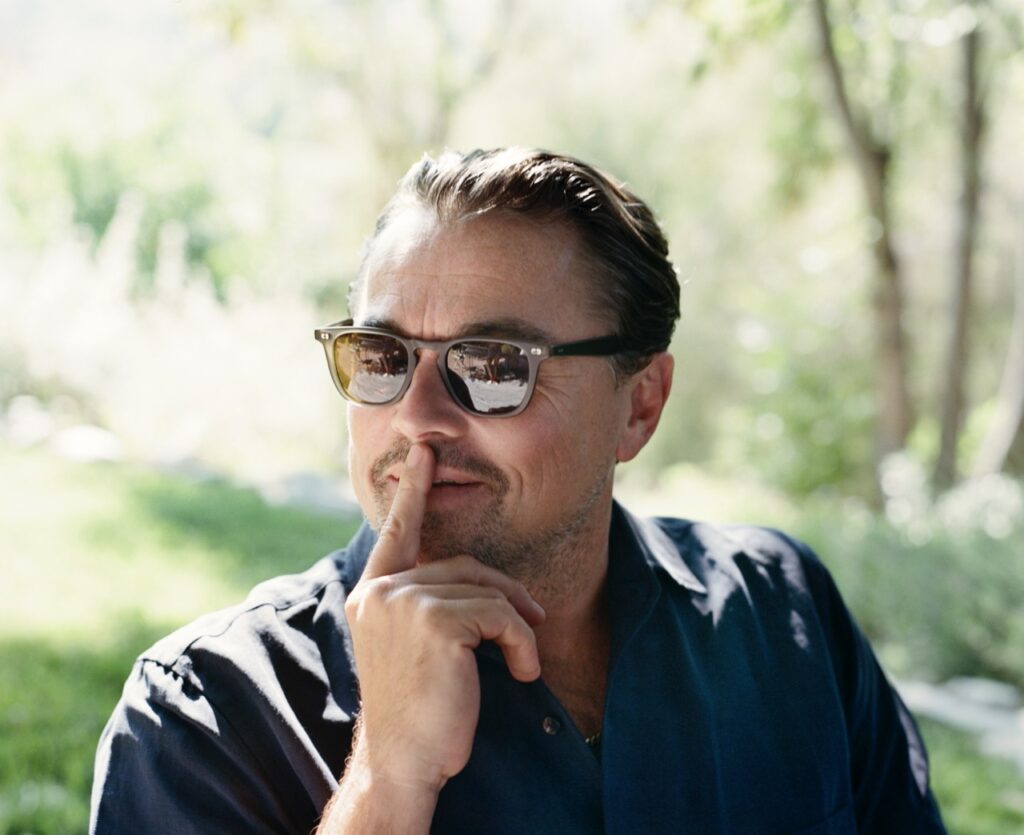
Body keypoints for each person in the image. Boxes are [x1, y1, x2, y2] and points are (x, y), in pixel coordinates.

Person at [90, 148, 946, 834]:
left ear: (639, 405)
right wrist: (385, 782)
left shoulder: (785, 616)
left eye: (494, 366)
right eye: (383, 357)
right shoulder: (203, 713)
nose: (416, 417)